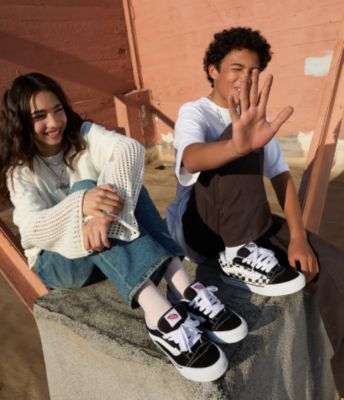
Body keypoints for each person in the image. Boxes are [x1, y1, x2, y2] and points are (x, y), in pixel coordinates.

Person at [0, 72, 249, 382]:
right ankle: (159, 316)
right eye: (39, 116)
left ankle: (182, 285)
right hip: (58, 263)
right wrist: (82, 205)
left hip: (101, 245)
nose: (54, 122)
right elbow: (34, 230)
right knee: (89, 187)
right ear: (22, 121)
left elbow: (131, 150)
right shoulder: (20, 171)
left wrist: (100, 214)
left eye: (58, 109)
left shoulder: (84, 134)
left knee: (122, 181)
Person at [166, 27, 344, 395]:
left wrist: (298, 239)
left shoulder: (254, 116)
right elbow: (191, 158)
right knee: (240, 139)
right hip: (200, 224)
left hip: (247, 219)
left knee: (337, 269)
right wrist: (237, 144)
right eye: (236, 68)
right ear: (213, 70)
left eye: (253, 71)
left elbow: (282, 179)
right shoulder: (194, 111)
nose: (245, 78)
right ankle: (236, 257)